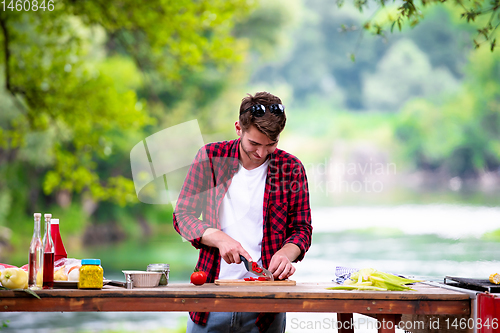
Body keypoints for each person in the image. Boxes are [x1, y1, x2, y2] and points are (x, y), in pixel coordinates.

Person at [173, 91, 313, 333]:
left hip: (266, 307)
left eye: (271, 144)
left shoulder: (291, 168)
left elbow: (302, 229)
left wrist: (285, 254)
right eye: (254, 144)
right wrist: (219, 238)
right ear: (238, 128)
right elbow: (182, 216)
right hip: (210, 298)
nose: (261, 153)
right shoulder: (210, 157)